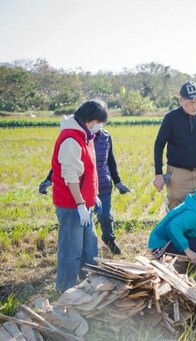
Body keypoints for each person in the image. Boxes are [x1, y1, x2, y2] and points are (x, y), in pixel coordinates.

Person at [38, 127, 131, 255]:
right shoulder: (79, 138)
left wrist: (118, 182)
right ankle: (82, 251)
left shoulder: (106, 136)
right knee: (84, 219)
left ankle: (109, 239)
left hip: (103, 184)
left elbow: (110, 161)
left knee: (105, 216)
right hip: (84, 186)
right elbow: (65, 163)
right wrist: (49, 180)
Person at [50, 99, 108, 293]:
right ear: (90, 119)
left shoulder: (85, 136)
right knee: (71, 249)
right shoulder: (70, 138)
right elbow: (71, 175)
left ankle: (89, 285)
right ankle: (65, 291)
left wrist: (94, 196)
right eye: (98, 121)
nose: (99, 126)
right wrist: (81, 204)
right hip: (71, 205)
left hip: (85, 203)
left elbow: (89, 171)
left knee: (89, 246)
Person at [153, 80, 196, 211]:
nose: (195, 106)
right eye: (191, 103)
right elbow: (159, 145)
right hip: (178, 174)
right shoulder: (171, 118)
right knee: (177, 210)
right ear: (181, 101)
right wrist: (158, 174)